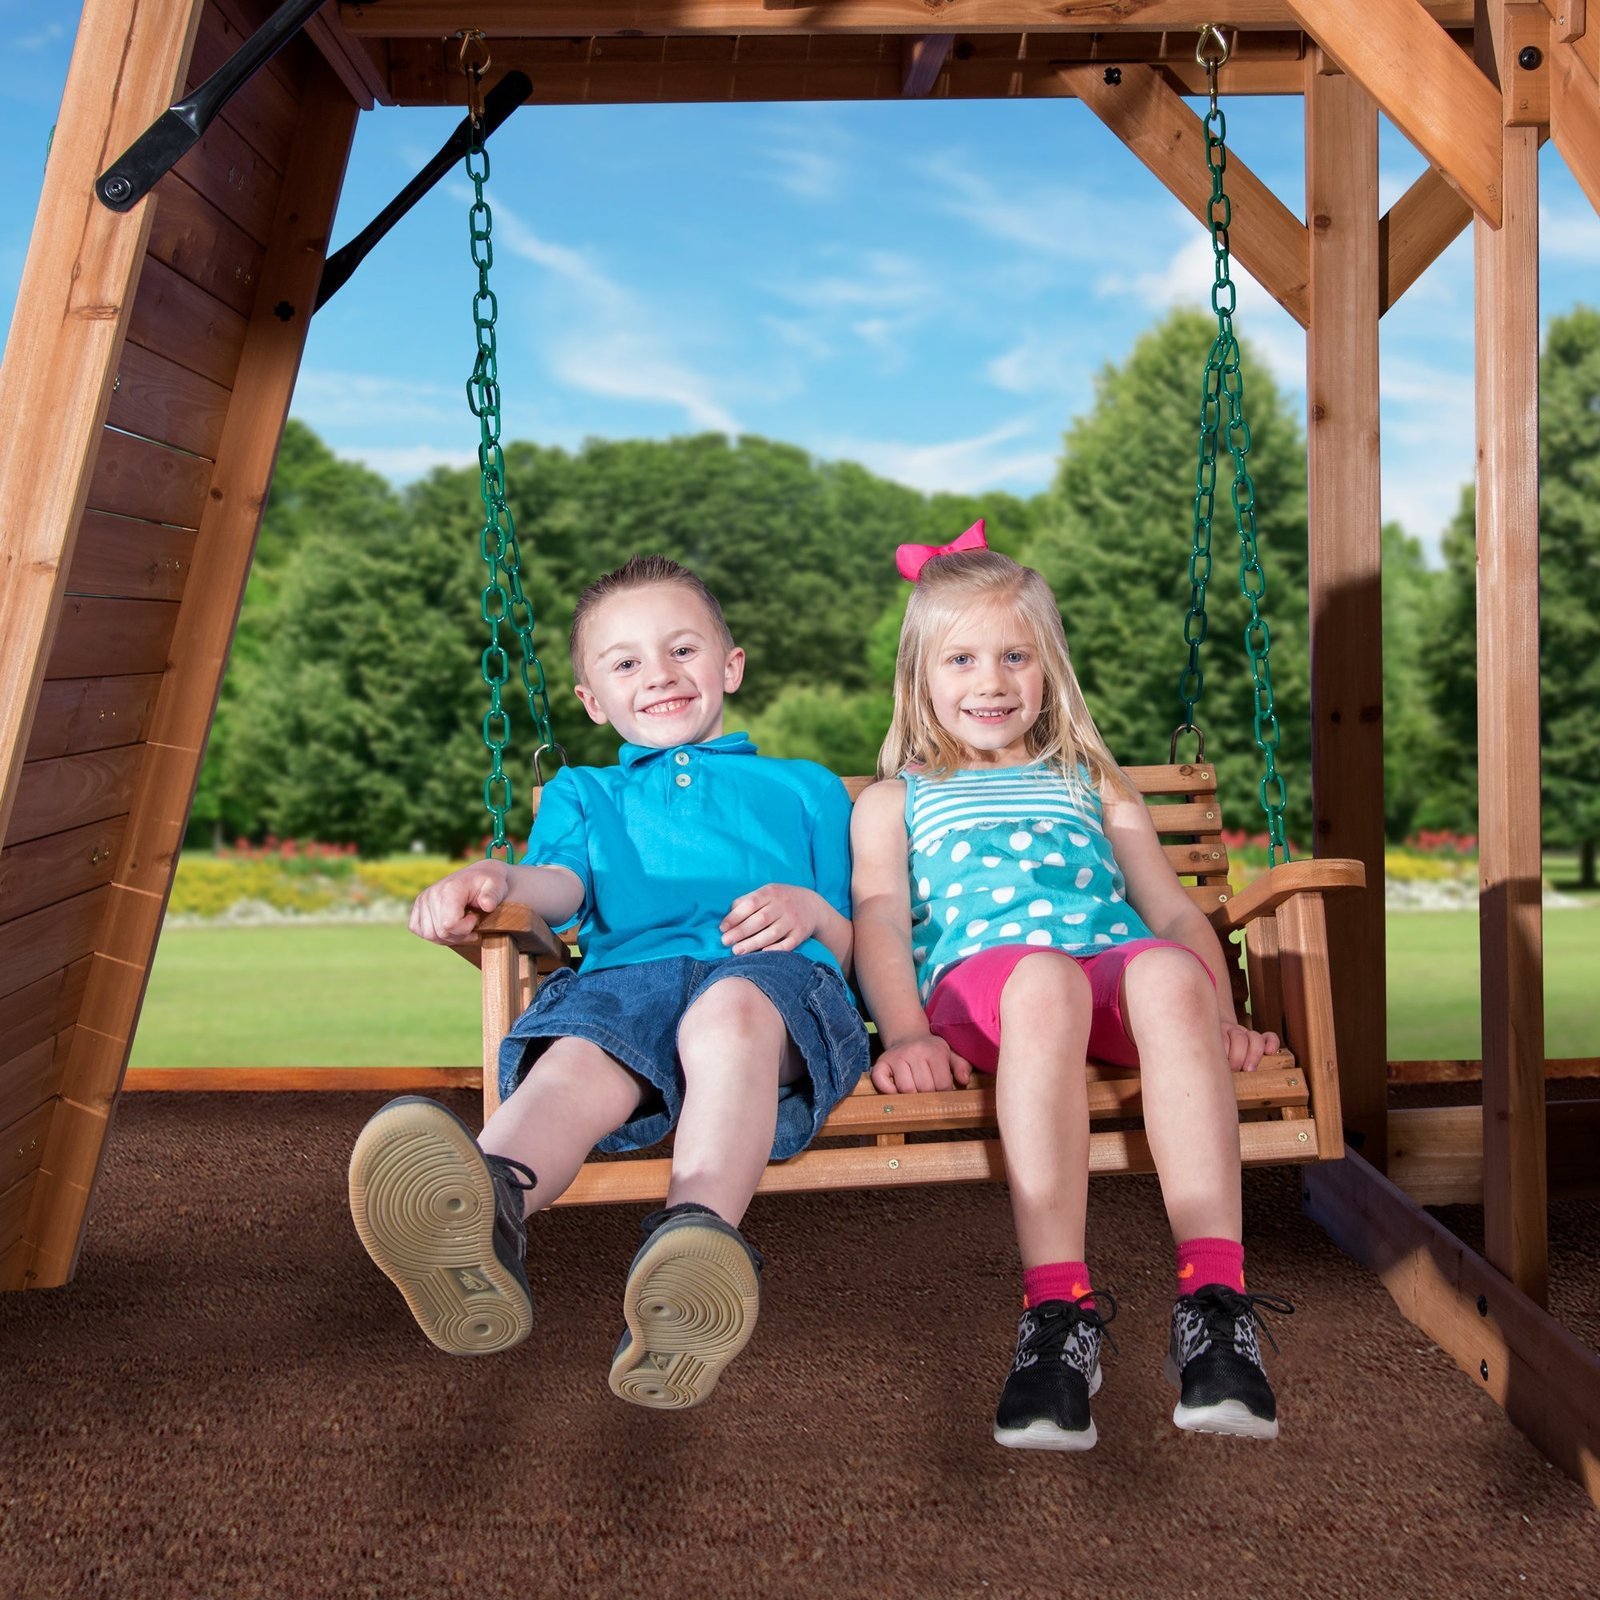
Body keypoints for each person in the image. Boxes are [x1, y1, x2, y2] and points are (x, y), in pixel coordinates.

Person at [348, 555, 868, 1410]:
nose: (658, 675)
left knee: (728, 1018)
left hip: (770, 983)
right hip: (629, 977)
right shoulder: (584, 791)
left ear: (731, 666)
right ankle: (483, 1211)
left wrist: (809, 908)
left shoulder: (805, 786)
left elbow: (855, 938)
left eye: (682, 651)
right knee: (581, 1053)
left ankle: (694, 1244)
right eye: (625, 663)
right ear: (593, 700)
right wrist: (499, 881)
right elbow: (561, 885)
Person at [850, 522, 1292, 1452]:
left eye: (1016, 655)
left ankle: (1213, 1306)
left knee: (1168, 972)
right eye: (962, 658)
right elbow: (882, 921)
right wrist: (903, 1033)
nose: (992, 680)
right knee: (1045, 981)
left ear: (1048, 667)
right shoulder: (899, 798)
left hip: (1104, 977)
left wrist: (1223, 1016)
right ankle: (1058, 1319)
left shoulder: (1095, 781)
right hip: (986, 993)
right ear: (921, 677)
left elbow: (1172, 913)